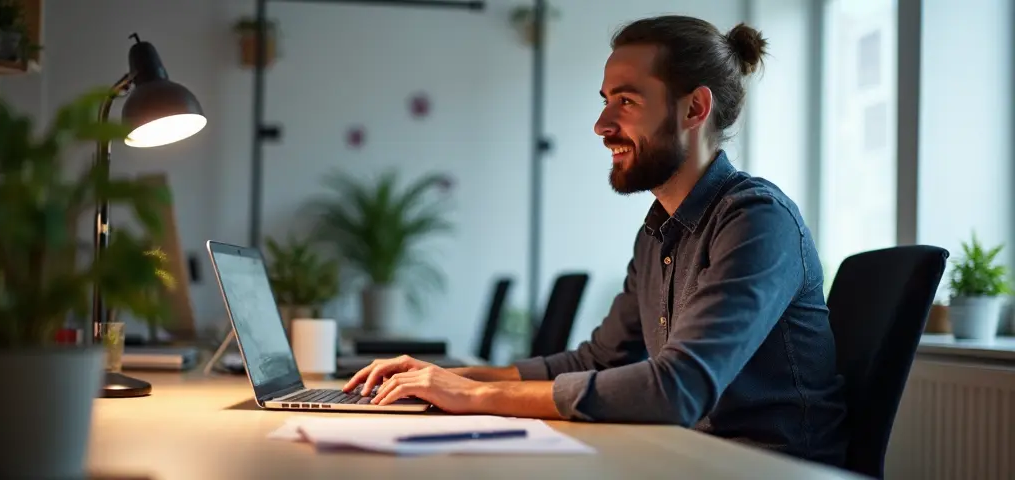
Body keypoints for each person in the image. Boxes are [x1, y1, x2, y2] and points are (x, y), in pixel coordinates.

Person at [343, 15, 848, 467]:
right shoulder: (657, 233)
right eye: (606, 101)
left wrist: (472, 397)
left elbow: (677, 389)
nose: (602, 125)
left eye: (625, 101)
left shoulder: (756, 219)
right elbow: (596, 362)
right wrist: (456, 378)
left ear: (694, 108)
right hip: (691, 459)